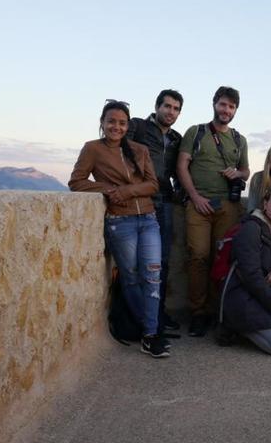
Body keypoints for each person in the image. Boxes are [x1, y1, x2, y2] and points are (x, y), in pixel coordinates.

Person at [68, 100, 169, 358]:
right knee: (131, 277)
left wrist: (125, 191)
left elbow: (152, 185)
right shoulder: (92, 149)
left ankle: (150, 330)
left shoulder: (139, 150)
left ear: (128, 125)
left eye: (122, 123)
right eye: (111, 121)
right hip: (119, 221)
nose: (116, 126)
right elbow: (76, 182)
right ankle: (149, 332)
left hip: (147, 219)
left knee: (152, 275)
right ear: (102, 123)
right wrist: (106, 189)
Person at [176, 86, 250, 337]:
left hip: (227, 207)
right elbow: (182, 165)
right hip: (199, 204)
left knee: (223, 260)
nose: (226, 110)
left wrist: (237, 173)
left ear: (235, 110)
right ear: (214, 104)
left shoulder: (240, 140)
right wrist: (194, 196)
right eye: (223, 104)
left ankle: (217, 310)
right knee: (198, 256)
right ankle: (198, 313)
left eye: (231, 106)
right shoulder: (195, 132)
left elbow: (246, 172)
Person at [126, 89, 183, 333]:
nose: (171, 112)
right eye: (167, 106)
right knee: (136, 262)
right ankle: (138, 316)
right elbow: (116, 150)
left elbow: (178, 169)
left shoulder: (177, 138)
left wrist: (181, 190)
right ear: (157, 106)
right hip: (139, 201)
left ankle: (158, 313)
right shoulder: (137, 127)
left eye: (176, 109)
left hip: (165, 201)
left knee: (163, 260)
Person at [221, 186, 271, 356]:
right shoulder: (251, 229)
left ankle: (269, 322)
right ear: (265, 203)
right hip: (243, 296)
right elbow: (251, 277)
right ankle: (237, 326)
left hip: (261, 293)